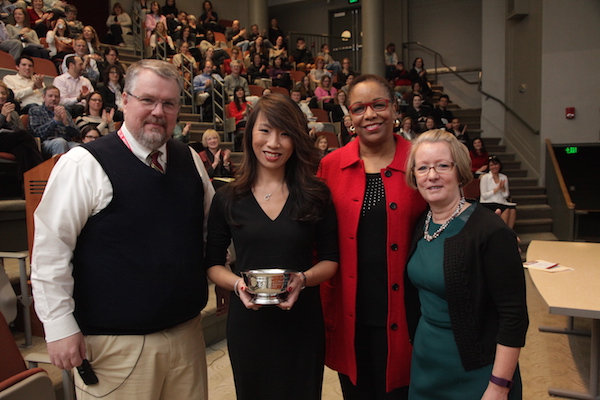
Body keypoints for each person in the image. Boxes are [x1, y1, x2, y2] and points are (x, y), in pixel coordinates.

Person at [31, 59, 215, 400]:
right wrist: (58, 326)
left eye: (169, 103)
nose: (158, 111)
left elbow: (209, 234)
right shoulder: (82, 163)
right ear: (124, 101)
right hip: (116, 349)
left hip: (187, 338)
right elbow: (50, 251)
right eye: (148, 100)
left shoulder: (190, 159)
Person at [205, 93, 339, 400]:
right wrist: (238, 284)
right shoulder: (228, 197)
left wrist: (302, 280)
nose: (274, 143)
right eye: (265, 130)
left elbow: (331, 260)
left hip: (302, 323)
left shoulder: (316, 194)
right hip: (248, 325)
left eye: (285, 133)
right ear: (250, 132)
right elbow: (213, 263)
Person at [317, 74, 427, 399]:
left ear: (394, 108)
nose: (370, 115)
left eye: (379, 105)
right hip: (350, 315)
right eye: (359, 108)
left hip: (409, 316)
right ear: (349, 116)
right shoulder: (330, 166)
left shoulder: (419, 161)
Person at [405, 130, 528, 399]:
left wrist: (498, 385)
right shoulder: (421, 223)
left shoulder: (491, 231)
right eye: (423, 167)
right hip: (426, 365)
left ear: (460, 172)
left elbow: (513, 316)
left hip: (477, 369)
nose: (432, 175)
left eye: (442, 166)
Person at [0, 81, 42, 180]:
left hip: (11, 142)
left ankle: (25, 184)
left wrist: (10, 122)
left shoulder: (13, 112)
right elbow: (23, 135)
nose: (1, 96)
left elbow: (21, 131)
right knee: (25, 138)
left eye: (3, 93)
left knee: (22, 149)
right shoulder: (5, 111)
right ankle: (40, 168)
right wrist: (2, 115)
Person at [28, 85, 79, 157]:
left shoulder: (65, 112)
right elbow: (36, 133)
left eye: (56, 96)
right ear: (43, 97)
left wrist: (66, 123)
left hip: (67, 142)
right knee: (60, 142)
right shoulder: (35, 110)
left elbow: (76, 134)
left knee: (80, 147)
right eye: (50, 96)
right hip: (46, 143)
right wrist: (55, 120)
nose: (53, 99)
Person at [479, 156, 517, 229]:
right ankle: (503, 233)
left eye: (496, 164)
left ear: (499, 165)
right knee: (506, 210)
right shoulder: (485, 177)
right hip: (487, 202)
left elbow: (506, 195)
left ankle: (509, 233)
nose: (494, 167)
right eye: (491, 165)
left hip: (501, 202)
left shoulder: (504, 177)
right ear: (489, 167)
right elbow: (484, 195)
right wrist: (497, 189)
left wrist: (502, 189)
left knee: (513, 210)